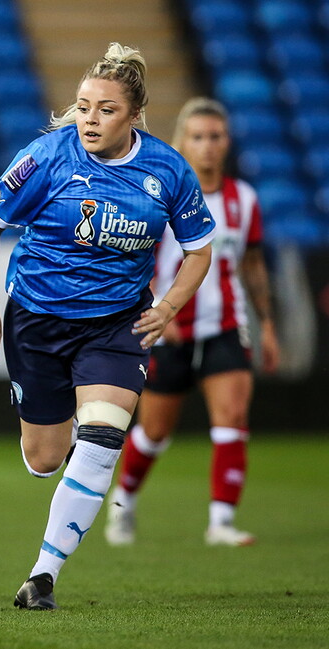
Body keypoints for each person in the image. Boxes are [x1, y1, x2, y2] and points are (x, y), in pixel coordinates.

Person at [0, 43, 216, 610]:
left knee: (104, 439)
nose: (89, 119)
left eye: (105, 109)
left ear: (134, 116)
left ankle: (43, 576)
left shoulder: (166, 169)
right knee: (45, 459)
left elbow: (199, 251)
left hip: (116, 324)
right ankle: (68, 443)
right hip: (37, 320)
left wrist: (171, 305)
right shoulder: (47, 157)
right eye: (82, 107)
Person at [105, 98, 280, 548]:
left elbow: (253, 265)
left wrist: (267, 325)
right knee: (156, 431)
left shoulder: (244, 199)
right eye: (198, 137)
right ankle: (123, 499)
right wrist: (160, 310)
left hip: (225, 324)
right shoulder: (162, 194)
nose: (207, 147)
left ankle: (221, 521)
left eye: (215, 136)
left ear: (227, 142)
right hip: (167, 328)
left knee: (233, 416)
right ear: (183, 141)